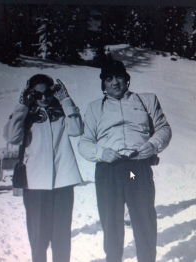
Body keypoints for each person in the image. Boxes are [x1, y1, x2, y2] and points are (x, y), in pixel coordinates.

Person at [78, 59, 172, 262]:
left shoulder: (146, 100)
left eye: (119, 77)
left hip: (136, 167)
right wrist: (101, 152)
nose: (114, 83)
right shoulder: (95, 108)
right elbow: (85, 143)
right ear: (103, 84)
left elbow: (164, 128)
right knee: (111, 223)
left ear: (127, 80)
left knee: (144, 220)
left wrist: (153, 145)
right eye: (109, 79)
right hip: (109, 170)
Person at [3, 74, 83, 262]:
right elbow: (12, 137)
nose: (44, 98)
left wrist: (66, 100)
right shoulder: (25, 116)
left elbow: (77, 130)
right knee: (38, 238)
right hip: (35, 185)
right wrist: (22, 107)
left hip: (63, 183)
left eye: (48, 93)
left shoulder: (61, 113)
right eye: (38, 95)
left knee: (61, 238)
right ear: (31, 95)